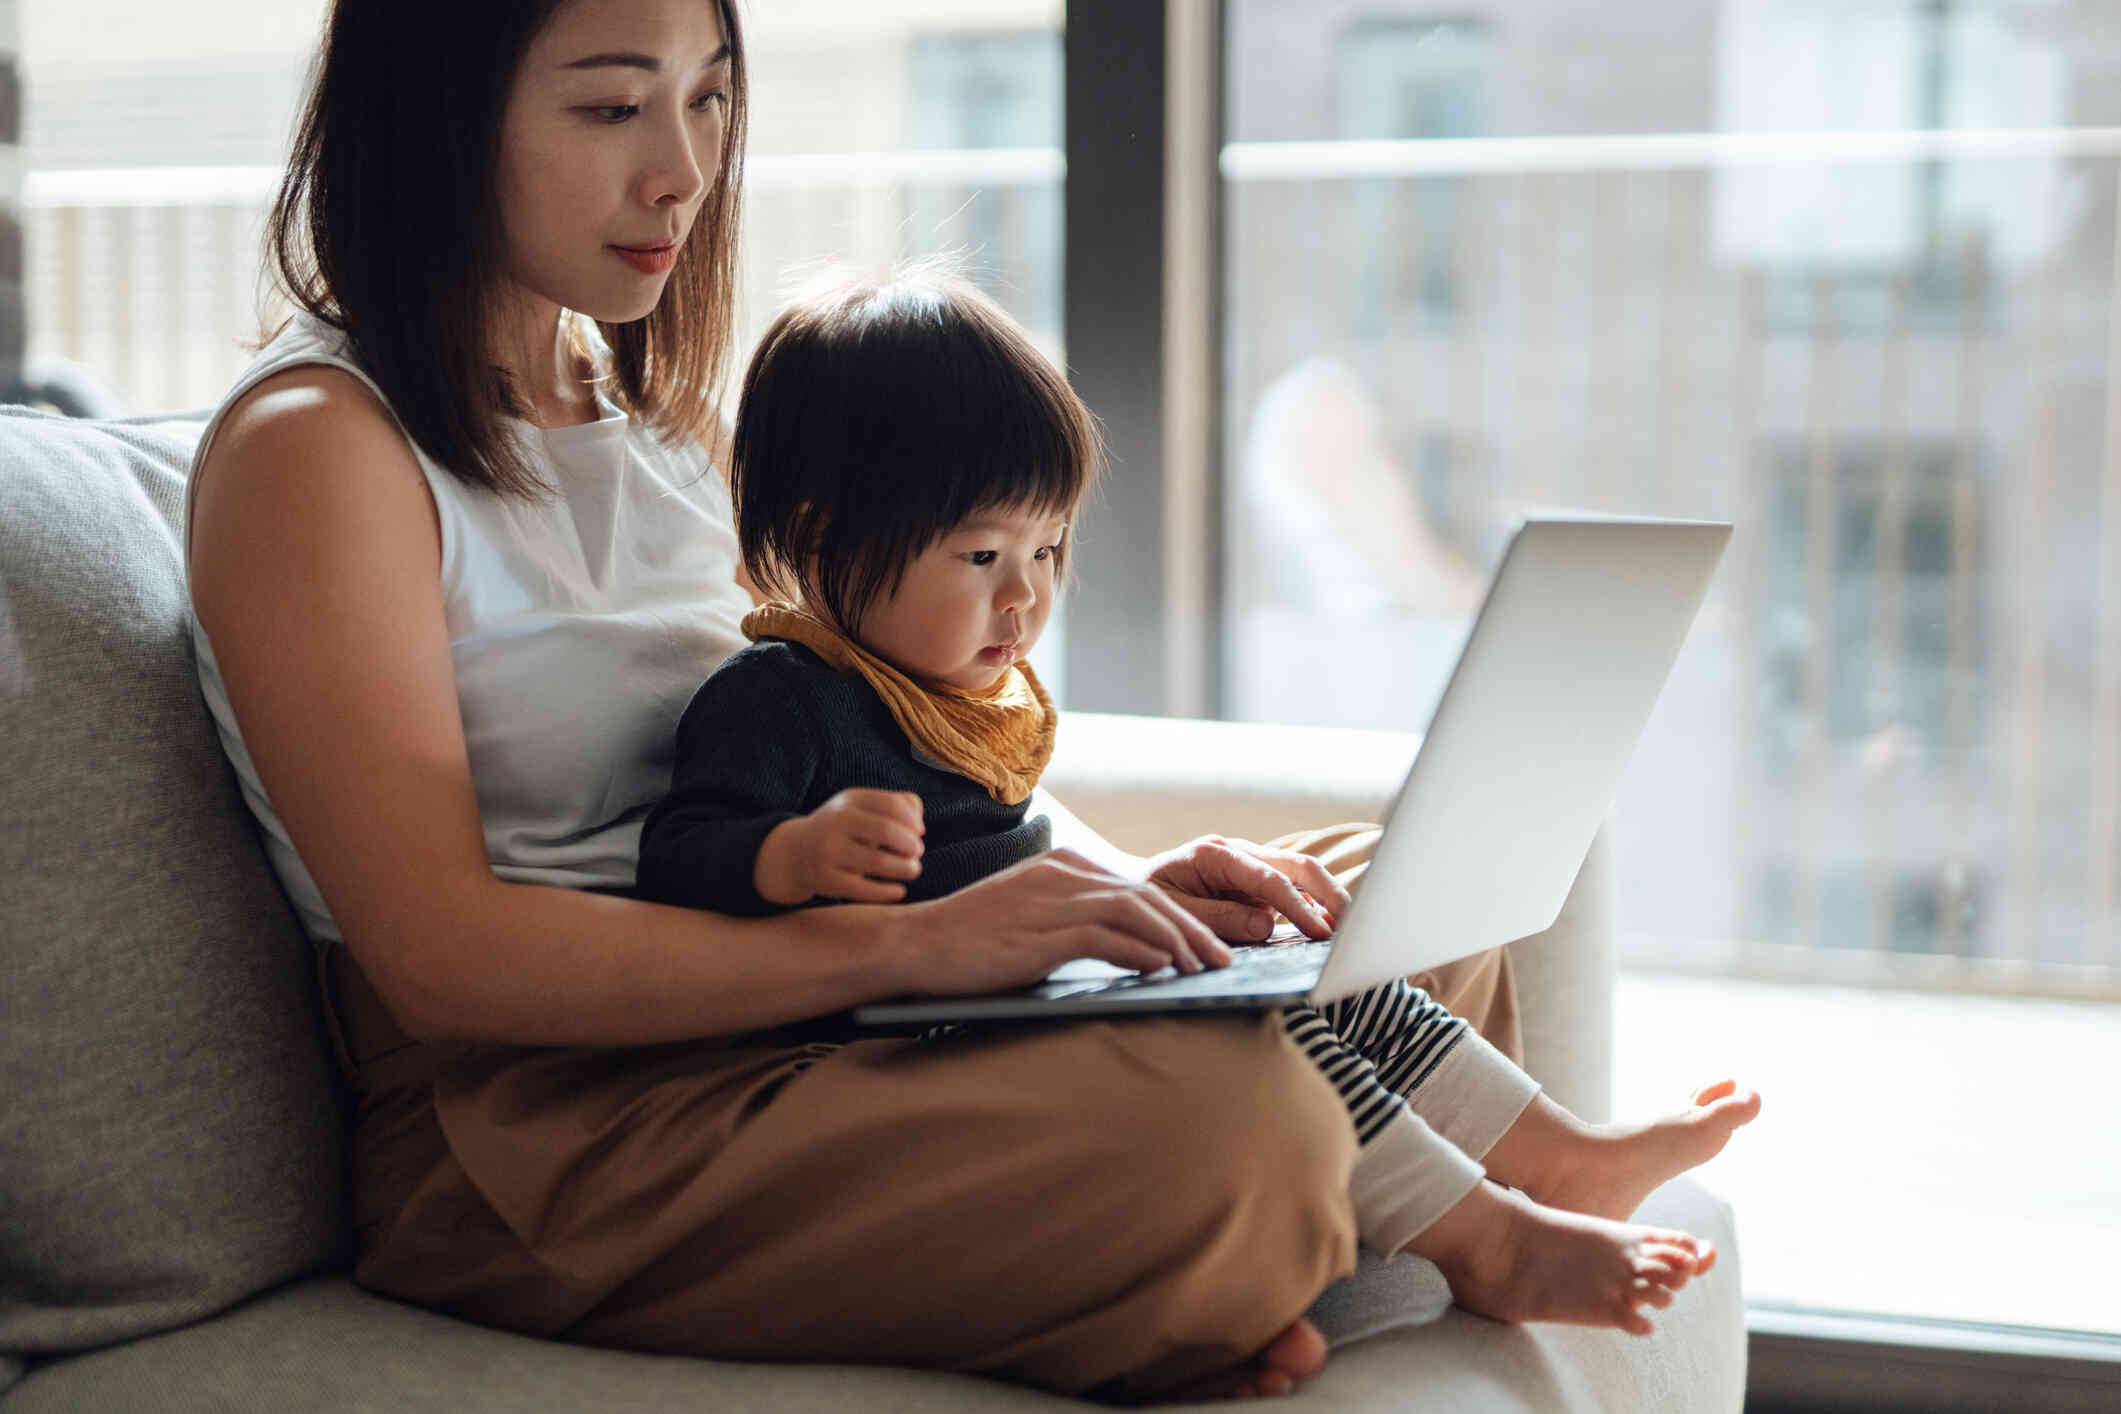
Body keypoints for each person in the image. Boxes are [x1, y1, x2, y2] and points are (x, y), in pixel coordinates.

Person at [182, 0, 1759, 1402]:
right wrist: (922, 940)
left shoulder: (656, 420)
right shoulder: (319, 449)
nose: (681, 168)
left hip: (810, 1023)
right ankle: (1234, 1247)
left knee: (1381, 925)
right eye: (610, 108)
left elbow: (879, 725)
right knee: (1251, 1124)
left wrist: (1122, 895)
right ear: (441, 118)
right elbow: (444, 962)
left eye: (711, 96)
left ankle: (1210, 1261)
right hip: (550, 1132)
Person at [634, 263, 1762, 1316]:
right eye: (982, 558)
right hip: (911, 1049)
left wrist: (1135, 893)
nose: (1025, 601)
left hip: (1021, 993)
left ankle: (1563, 1153)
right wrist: (789, 859)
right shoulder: (780, 696)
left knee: (1324, 974)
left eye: (1050, 549)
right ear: (820, 539)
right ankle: (1491, 1243)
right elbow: (678, 859)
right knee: (1268, 1031)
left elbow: (1023, 863)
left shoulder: (961, 691)